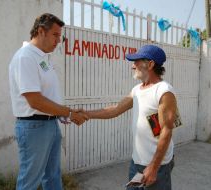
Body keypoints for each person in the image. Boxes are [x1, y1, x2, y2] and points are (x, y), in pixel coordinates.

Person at [9, 13, 87, 190]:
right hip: (34, 127)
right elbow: (35, 101)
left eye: (60, 36)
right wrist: (68, 113)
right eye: (55, 35)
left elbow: (48, 95)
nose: (59, 40)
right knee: (29, 182)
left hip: (50, 124)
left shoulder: (42, 58)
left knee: (52, 177)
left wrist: (65, 114)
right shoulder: (25, 57)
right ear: (41, 31)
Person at [84, 45, 177, 190]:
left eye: (136, 61)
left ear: (151, 64)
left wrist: (153, 166)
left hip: (158, 165)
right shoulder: (137, 90)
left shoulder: (164, 91)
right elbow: (115, 110)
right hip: (137, 161)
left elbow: (166, 131)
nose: (133, 66)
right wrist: (87, 114)